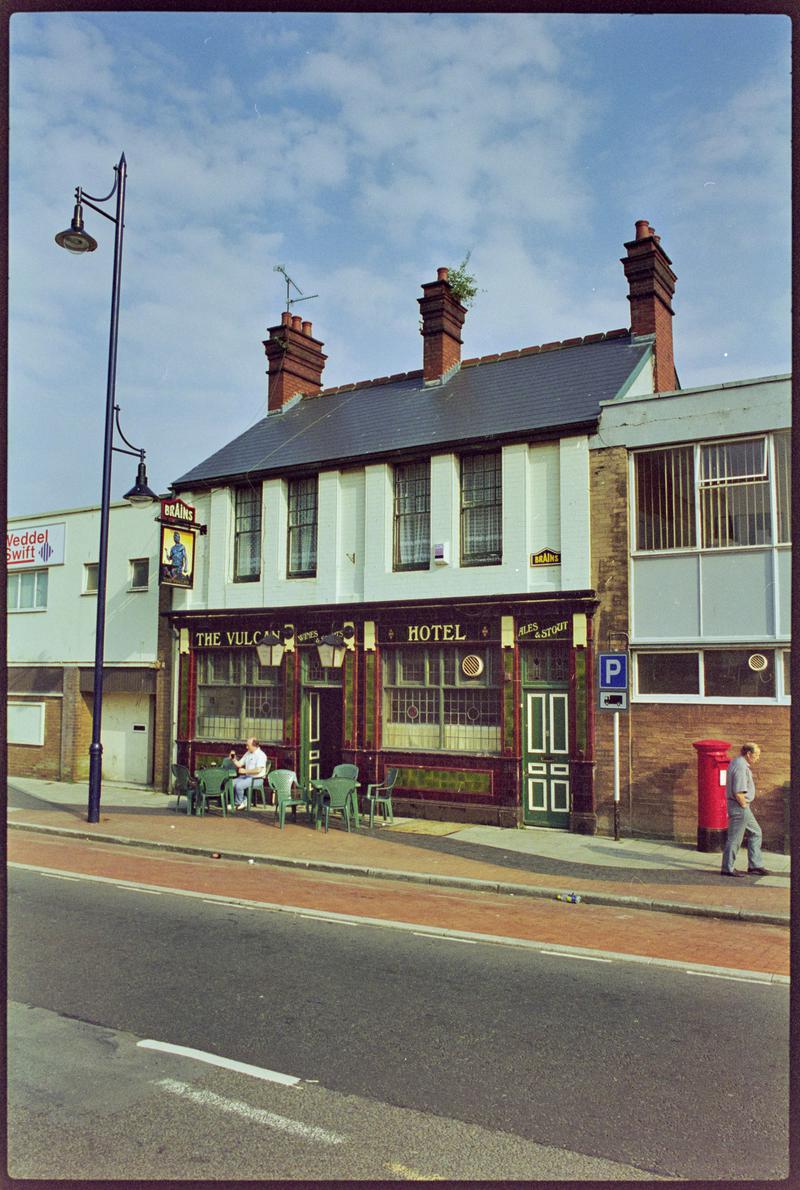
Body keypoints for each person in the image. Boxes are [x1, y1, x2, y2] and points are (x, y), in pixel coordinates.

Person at [720, 742, 770, 877]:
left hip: (740, 806)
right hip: (740, 807)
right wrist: (743, 806)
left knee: (756, 832)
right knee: (735, 838)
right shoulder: (741, 767)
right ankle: (727, 868)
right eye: (756, 754)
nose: (758, 758)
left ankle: (755, 865)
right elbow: (739, 792)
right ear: (748, 754)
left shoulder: (736, 762)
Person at [231, 738, 268, 809]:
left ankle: (238, 804)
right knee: (231, 783)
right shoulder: (248, 753)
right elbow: (239, 764)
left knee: (239, 785)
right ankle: (244, 800)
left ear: (254, 746)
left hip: (257, 779)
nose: (246, 747)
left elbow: (258, 770)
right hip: (247, 777)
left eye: (248, 745)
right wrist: (234, 759)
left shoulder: (261, 755)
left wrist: (245, 771)